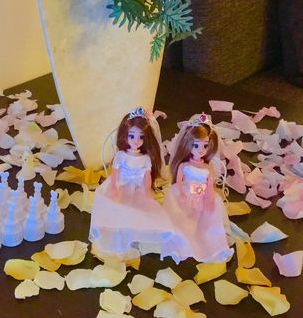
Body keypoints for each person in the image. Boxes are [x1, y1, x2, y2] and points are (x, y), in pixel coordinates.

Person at [89, 107, 173, 260]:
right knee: (111, 204)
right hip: (120, 185)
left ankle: (134, 232)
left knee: (139, 209)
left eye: (141, 137)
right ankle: (105, 227)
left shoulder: (146, 158)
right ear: (125, 135)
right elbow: (114, 174)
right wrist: (113, 186)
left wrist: (147, 190)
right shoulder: (121, 155)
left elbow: (147, 176)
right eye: (132, 136)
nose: (136, 141)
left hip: (138, 188)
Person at [162, 113, 234, 263]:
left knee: (207, 221)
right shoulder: (184, 165)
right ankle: (183, 237)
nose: (200, 150)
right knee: (183, 218)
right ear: (188, 145)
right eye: (196, 145)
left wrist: (209, 198)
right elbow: (179, 182)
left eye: (205, 145)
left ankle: (205, 240)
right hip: (187, 194)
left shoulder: (207, 167)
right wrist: (181, 193)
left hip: (202, 197)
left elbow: (209, 185)